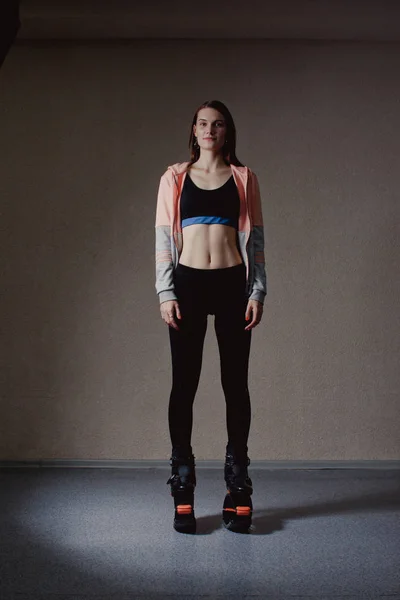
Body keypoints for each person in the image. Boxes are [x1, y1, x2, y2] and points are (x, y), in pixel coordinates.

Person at [155, 100, 267, 534]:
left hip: (232, 285)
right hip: (188, 285)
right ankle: (183, 481)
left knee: (235, 383)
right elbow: (164, 238)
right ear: (194, 130)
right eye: (202, 123)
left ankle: (237, 483)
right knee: (184, 383)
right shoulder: (174, 178)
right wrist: (166, 291)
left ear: (227, 132)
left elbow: (255, 239)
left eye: (217, 124)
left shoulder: (244, 178)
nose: (209, 130)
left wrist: (257, 290)